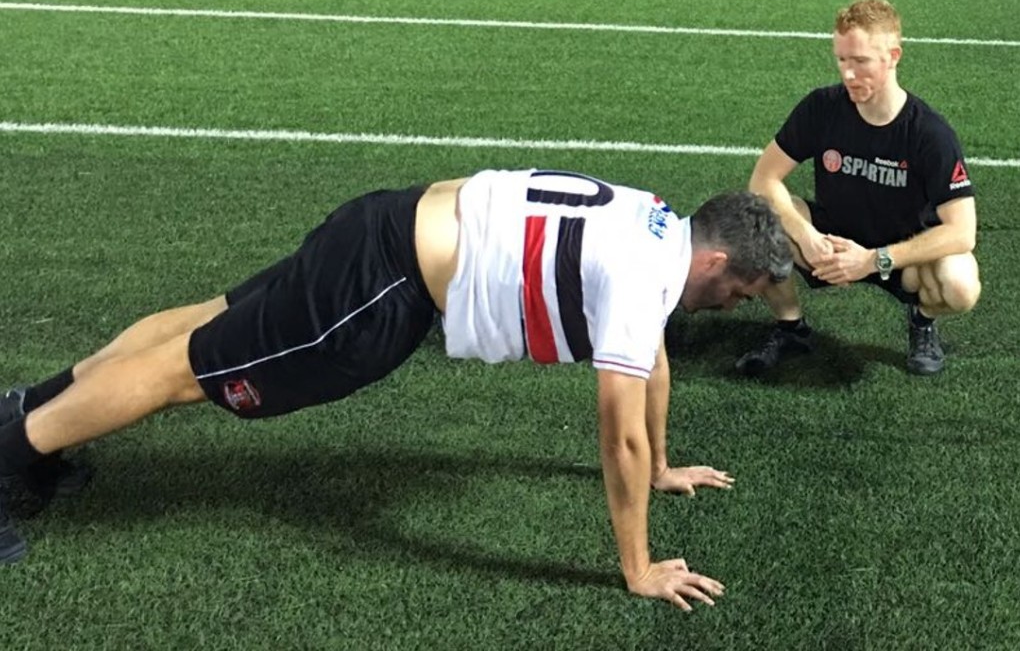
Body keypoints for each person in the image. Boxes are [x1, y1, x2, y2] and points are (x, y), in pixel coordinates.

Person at [0, 168, 792, 611]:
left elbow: (651, 360)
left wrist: (660, 467)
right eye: (741, 294)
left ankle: (32, 415)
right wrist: (638, 565)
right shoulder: (645, 277)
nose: (731, 308)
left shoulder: (656, 219)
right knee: (190, 374)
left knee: (209, 324)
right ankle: (10, 447)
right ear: (719, 263)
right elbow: (615, 428)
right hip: (384, 285)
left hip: (386, 222)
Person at [735, 0, 981, 377]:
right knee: (755, 222)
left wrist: (872, 259)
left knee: (960, 284)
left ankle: (922, 319)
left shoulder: (929, 133)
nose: (849, 74)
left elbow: (963, 232)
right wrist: (808, 235)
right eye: (842, 60)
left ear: (893, 55)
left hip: (900, 253)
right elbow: (763, 179)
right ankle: (791, 327)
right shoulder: (821, 107)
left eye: (861, 61)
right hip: (831, 240)